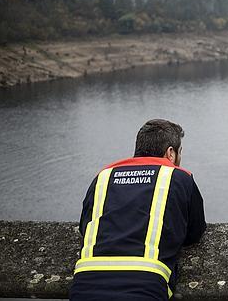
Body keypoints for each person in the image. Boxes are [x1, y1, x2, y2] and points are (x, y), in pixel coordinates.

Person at [70, 119, 206, 300]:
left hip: (85, 284)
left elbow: (84, 228)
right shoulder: (180, 177)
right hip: (144, 286)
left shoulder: (103, 176)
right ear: (170, 153)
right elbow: (194, 233)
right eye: (180, 152)